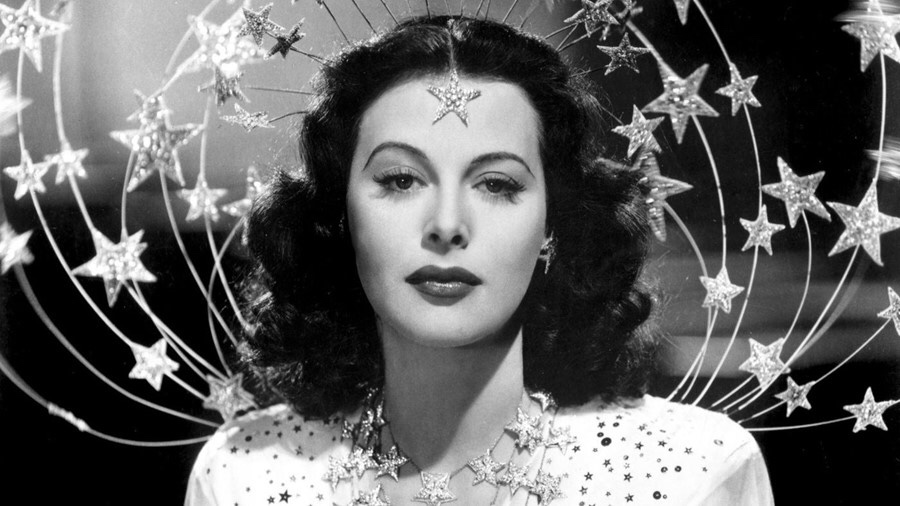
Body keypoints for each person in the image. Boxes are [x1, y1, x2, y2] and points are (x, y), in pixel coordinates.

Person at [186, 15, 773, 506]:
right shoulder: (247, 476)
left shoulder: (691, 474)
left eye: (496, 184)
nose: (447, 225)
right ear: (340, 216)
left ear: (552, 224)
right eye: (400, 179)